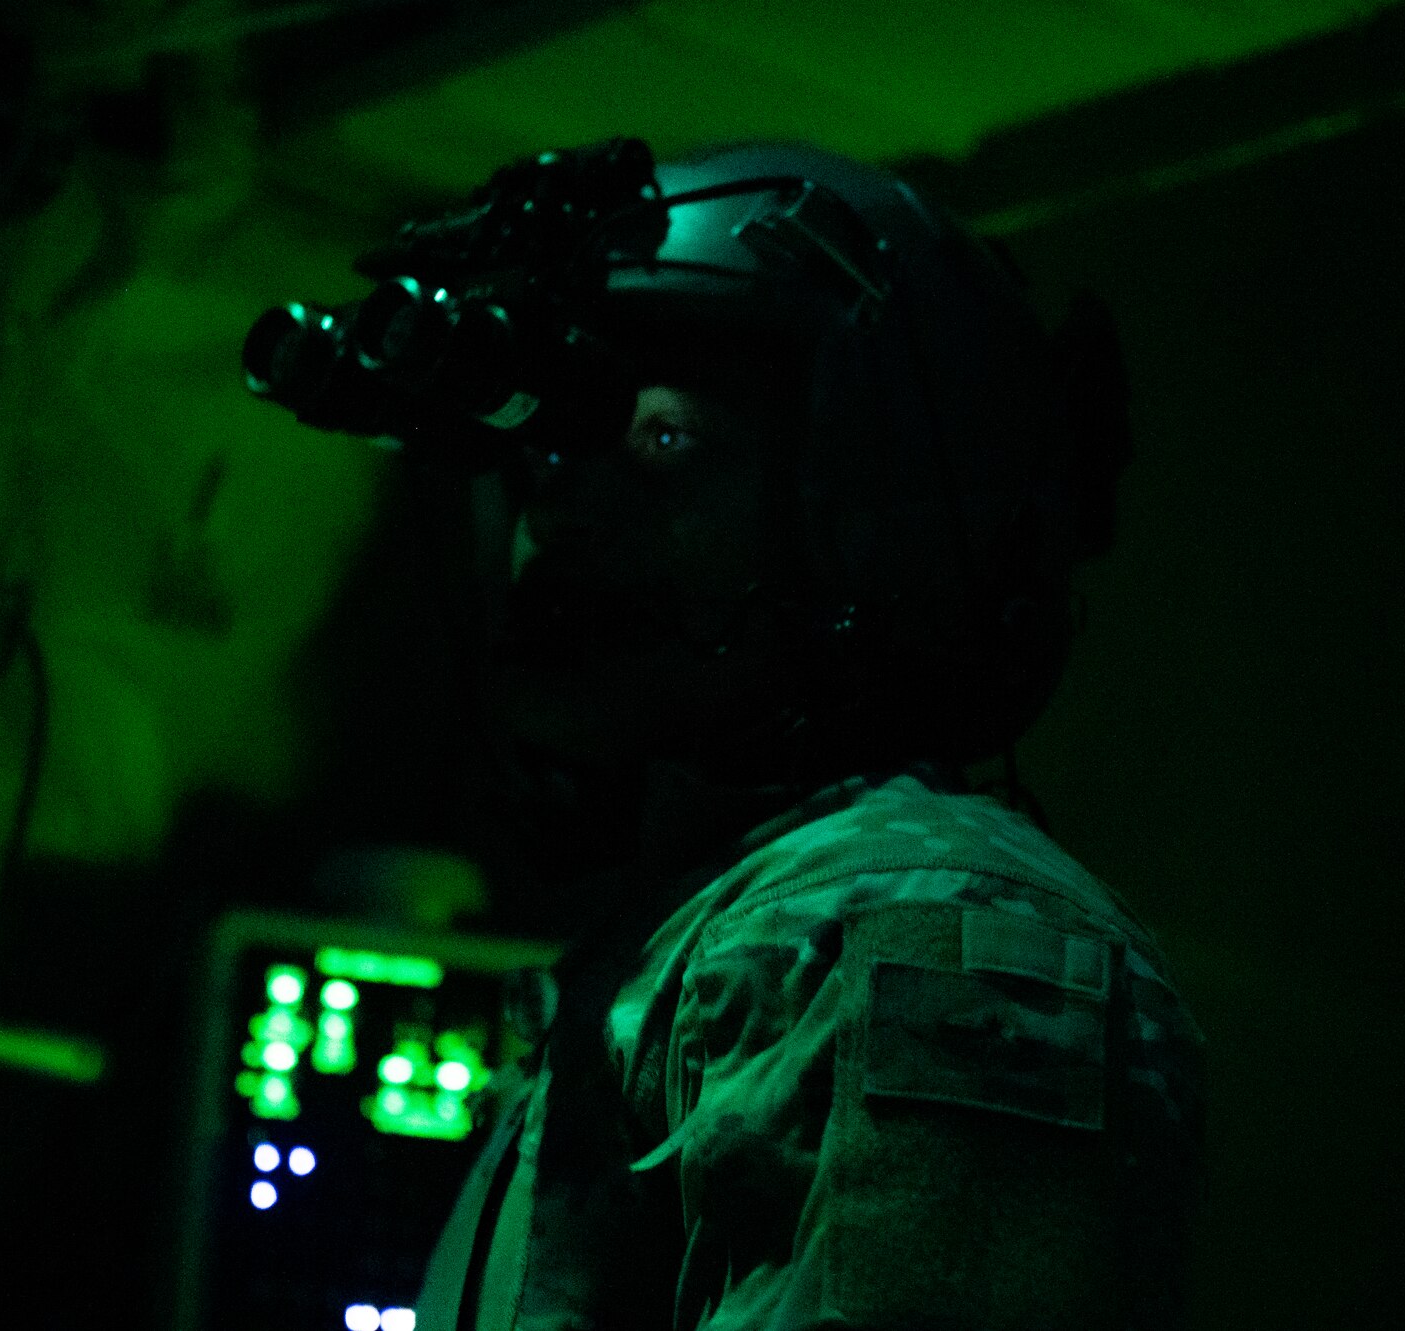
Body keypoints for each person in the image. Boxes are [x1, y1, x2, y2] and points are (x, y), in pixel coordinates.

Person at [252, 137, 1205, 1330]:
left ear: (881, 502)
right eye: (542, 450)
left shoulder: (908, 930)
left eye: (659, 441)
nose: (556, 506)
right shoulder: (701, 942)